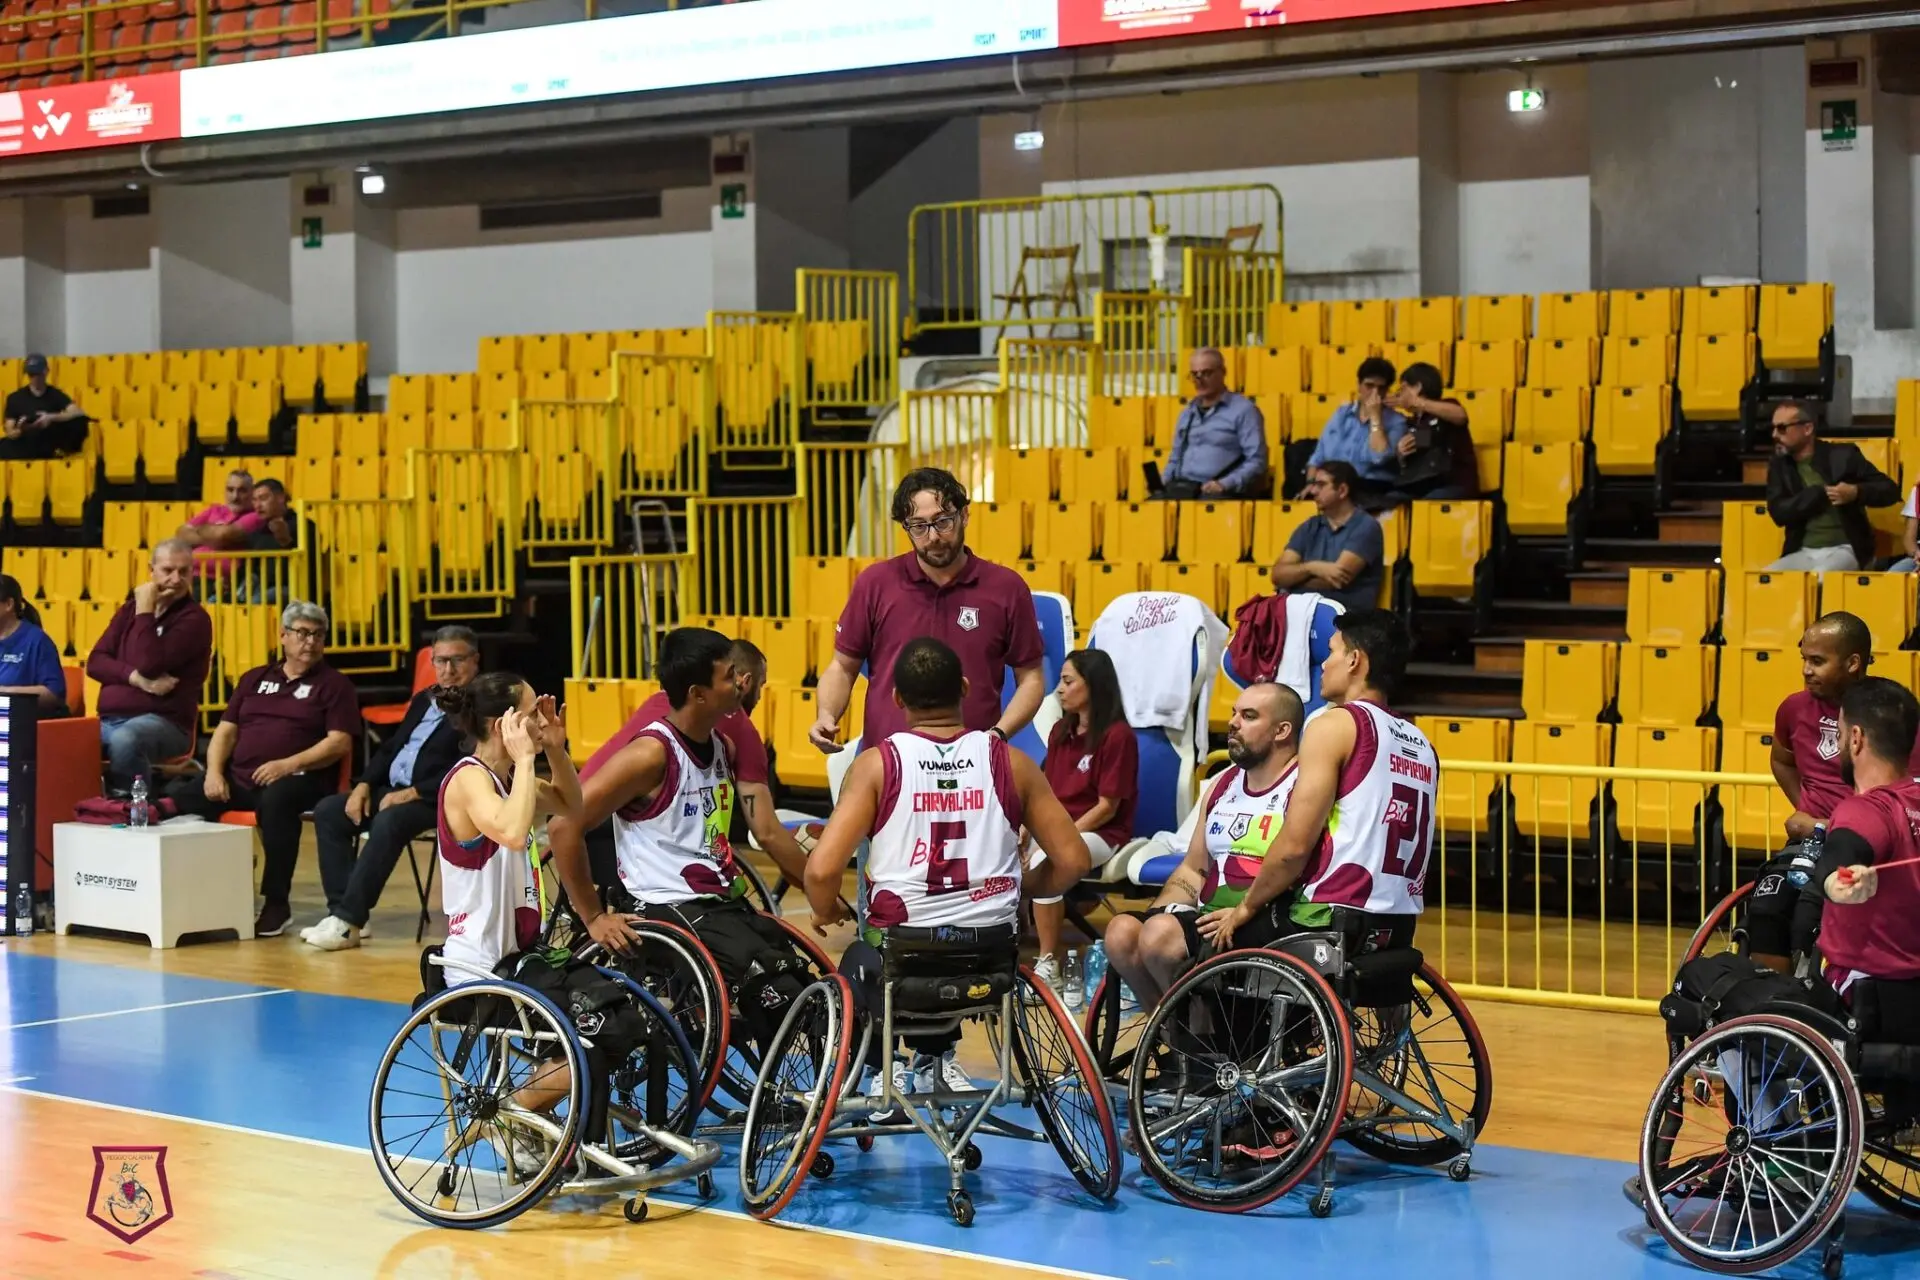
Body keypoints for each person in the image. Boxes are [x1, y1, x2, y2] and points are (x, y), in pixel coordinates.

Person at [804, 637, 1091, 1099]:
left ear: (897, 699)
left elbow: (820, 873)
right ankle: (935, 1057)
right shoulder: (1012, 763)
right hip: (990, 951)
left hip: (904, 950)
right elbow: (1075, 860)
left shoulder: (878, 764)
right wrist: (1024, 889)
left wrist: (822, 911)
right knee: (942, 951)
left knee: (862, 957)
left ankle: (882, 1066)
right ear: (964, 687)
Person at [547, 628, 813, 1056]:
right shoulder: (651, 753)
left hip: (710, 895)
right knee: (771, 983)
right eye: (730, 677)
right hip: (660, 895)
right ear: (699, 693)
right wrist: (594, 917)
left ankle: (796, 1093)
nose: (741, 685)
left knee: (797, 976)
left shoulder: (722, 743)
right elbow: (562, 826)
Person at [1198, 609, 1434, 954]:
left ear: (1354, 660)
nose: (1323, 664)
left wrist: (1244, 909)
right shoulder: (1421, 741)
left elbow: (1294, 845)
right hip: (1398, 921)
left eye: (1332, 652)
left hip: (1329, 914)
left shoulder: (1334, 725)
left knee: (1204, 943)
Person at [432, 671, 584, 1170]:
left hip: (519, 962)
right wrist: (526, 760)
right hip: (480, 970)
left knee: (617, 1015)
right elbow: (515, 833)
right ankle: (513, 1113)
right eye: (532, 711)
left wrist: (555, 749)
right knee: (594, 1035)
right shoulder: (469, 779)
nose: (542, 717)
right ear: (504, 725)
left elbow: (571, 806)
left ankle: (523, 1113)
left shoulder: (509, 779)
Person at [156, 601, 359, 938]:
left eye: (318, 635)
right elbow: (225, 731)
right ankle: (197, 899)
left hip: (303, 779)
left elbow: (339, 742)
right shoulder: (255, 678)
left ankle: (277, 903)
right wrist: (213, 773)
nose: (310, 642)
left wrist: (288, 764)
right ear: (283, 636)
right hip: (241, 777)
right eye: (303, 633)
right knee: (182, 797)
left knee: (277, 802)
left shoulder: (335, 685)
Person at [810, 468, 1044, 755]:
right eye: (918, 526)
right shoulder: (875, 583)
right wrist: (826, 715)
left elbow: (1031, 678)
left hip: (972, 765)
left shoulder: (1007, 588)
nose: (932, 536)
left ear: (964, 516)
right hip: (887, 763)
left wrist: (997, 735)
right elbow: (842, 667)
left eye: (942, 521)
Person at [1104, 682, 1305, 1013]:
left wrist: (1245, 911)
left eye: (1249, 716)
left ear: (1282, 730)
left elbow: (1297, 861)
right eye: (1234, 713)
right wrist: (1157, 913)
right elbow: (1194, 869)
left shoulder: (1302, 784)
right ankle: (1172, 1036)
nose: (1233, 723)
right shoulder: (1222, 783)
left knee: (1158, 936)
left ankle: (1199, 1032)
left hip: (1262, 918)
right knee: (1121, 933)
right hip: (1208, 920)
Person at [1745, 613, 1920, 972]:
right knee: (1765, 911)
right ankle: (1774, 1007)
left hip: (1873, 848)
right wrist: (1804, 808)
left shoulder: (1891, 715)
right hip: (1809, 842)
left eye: (1818, 661)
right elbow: (1782, 760)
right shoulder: (1793, 708)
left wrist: (1825, 825)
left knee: (1812, 920)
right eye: (1804, 660)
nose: (1807, 670)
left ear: (1853, 662)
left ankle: (1821, 999)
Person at [580, 638, 807, 906]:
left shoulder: (666, 701)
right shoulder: (738, 730)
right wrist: (815, 884)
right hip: (606, 823)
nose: (757, 694)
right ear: (745, 681)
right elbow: (766, 832)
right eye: (761, 684)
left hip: (588, 801)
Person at [303, 625, 478, 951]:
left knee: (390, 821)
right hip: (395, 791)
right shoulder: (425, 699)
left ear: (475, 661)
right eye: (440, 661)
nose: (447, 670)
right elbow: (391, 747)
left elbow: (467, 768)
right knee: (330, 810)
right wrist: (364, 785)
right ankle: (343, 913)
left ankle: (349, 921)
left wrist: (414, 793)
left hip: (438, 799)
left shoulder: (480, 707)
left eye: (457, 661)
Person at [1027, 649, 1137, 989]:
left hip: (1102, 833)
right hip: (1058, 827)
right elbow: (1043, 792)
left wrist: (1057, 835)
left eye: (1068, 681)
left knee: (1049, 858)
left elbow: (1108, 806)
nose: (1059, 689)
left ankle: (1049, 964)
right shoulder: (1061, 730)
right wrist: (1024, 827)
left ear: (1093, 685)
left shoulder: (1118, 736)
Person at [1813, 678, 1920, 1020]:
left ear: (1856, 738)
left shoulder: (1865, 809)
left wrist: (1834, 881)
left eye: (1841, 735)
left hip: (1867, 996)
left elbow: (1847, 846)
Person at [86, 538, 212, 794]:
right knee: (60, 739)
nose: (176, 579)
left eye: (184, 571)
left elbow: (150, 664)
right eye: (168, 570)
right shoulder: (128, 611)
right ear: (151, 570)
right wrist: (135, 679)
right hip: (109, 720)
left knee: (126, 740)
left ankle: (131, 807)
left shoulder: (195, 619)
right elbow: (96, 662)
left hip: (166, 723)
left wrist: (145, 610)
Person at [1764, 401, 1898, 573]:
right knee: (1762, 584)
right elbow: (1778, 512)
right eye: (1773, 428)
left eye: (1782, 428)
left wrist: (1856, 492)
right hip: (1802, 551)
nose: (1775, 434)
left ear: (1807, 429)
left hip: (1847, 548)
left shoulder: (1843, 456)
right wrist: (1818, 494)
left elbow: (1889, 490)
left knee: (1818, 581)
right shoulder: (1779, 466)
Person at [1269, 460, 1385, 613]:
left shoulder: (1366, 526)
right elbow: (1278, 575)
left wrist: (1293, 579)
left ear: (1342, 490)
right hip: (1304, 612)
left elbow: (1336, 580)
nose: (1313, 491)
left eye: (1321, 485)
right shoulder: (1310, 526)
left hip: (1347, 619)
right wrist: (1313, 567)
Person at [1157, 346, 1267, 498]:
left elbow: (1257, 461)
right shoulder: (1187, 413)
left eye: (1206, 373)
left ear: (1222, 372)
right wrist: (1162, 484)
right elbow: (1175, 458)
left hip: (1219, 493)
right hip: (1183, 489)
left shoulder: (1244, 410)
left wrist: (1225, 484)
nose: (1199, 380)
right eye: (1195, 374)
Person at [1301, 357, 1407, 504]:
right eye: (1369, 386)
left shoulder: (1397, 422)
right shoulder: (1341, 414)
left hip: (1370, 489)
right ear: (1359, 385)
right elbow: (1318, 457)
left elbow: (1378, 457)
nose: (1374, 393)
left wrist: (1376, 416)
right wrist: (1310, 484)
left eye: (1381, 388)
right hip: (1332, 487)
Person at [1387, 361, 1477, 500]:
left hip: (1454, 484)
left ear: (1417, 387)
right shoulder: (1412, 423)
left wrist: (1418, 402)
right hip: (1422, 485)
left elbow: (1461, 416)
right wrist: (1400, 451)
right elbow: (1426, 440)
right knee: (1391, 499)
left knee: (1429, 502)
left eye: (1403, 388)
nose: (1400, 394)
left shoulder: (1448, 406)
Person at [0, 573, 66, 713]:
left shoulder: (37, 641)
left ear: (8, 605)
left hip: (17, 721)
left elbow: (54, 693)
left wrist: (5, 692)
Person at [0, 353, 87, 459]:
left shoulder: (55, 394)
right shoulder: (15, 398)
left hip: (49, 439)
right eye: (31, 375)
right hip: (27, 441)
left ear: (46, 372)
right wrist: (21, 429)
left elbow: (78, 413)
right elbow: (10, 428)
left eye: (37, 374)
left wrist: (51, 417)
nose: (34, 379)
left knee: (79, 422)